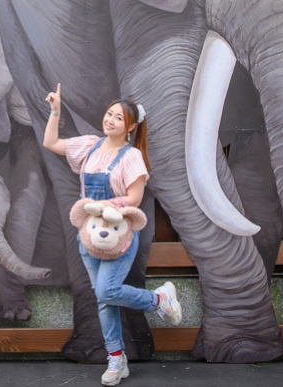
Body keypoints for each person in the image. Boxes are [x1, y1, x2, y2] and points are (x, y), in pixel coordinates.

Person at [43, 83, 182, 386]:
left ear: (130, 126)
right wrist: (55, 110)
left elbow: (134, 198)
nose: (110, 120)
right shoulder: (90, 146)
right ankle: (116, 359)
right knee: (104, 301)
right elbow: (51, 143)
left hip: (119, 235)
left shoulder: (132, 156)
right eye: (109, 114)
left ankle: (159, 300)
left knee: (107, 292)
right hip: (89, 235)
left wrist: (104, 205)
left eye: (118, 118)